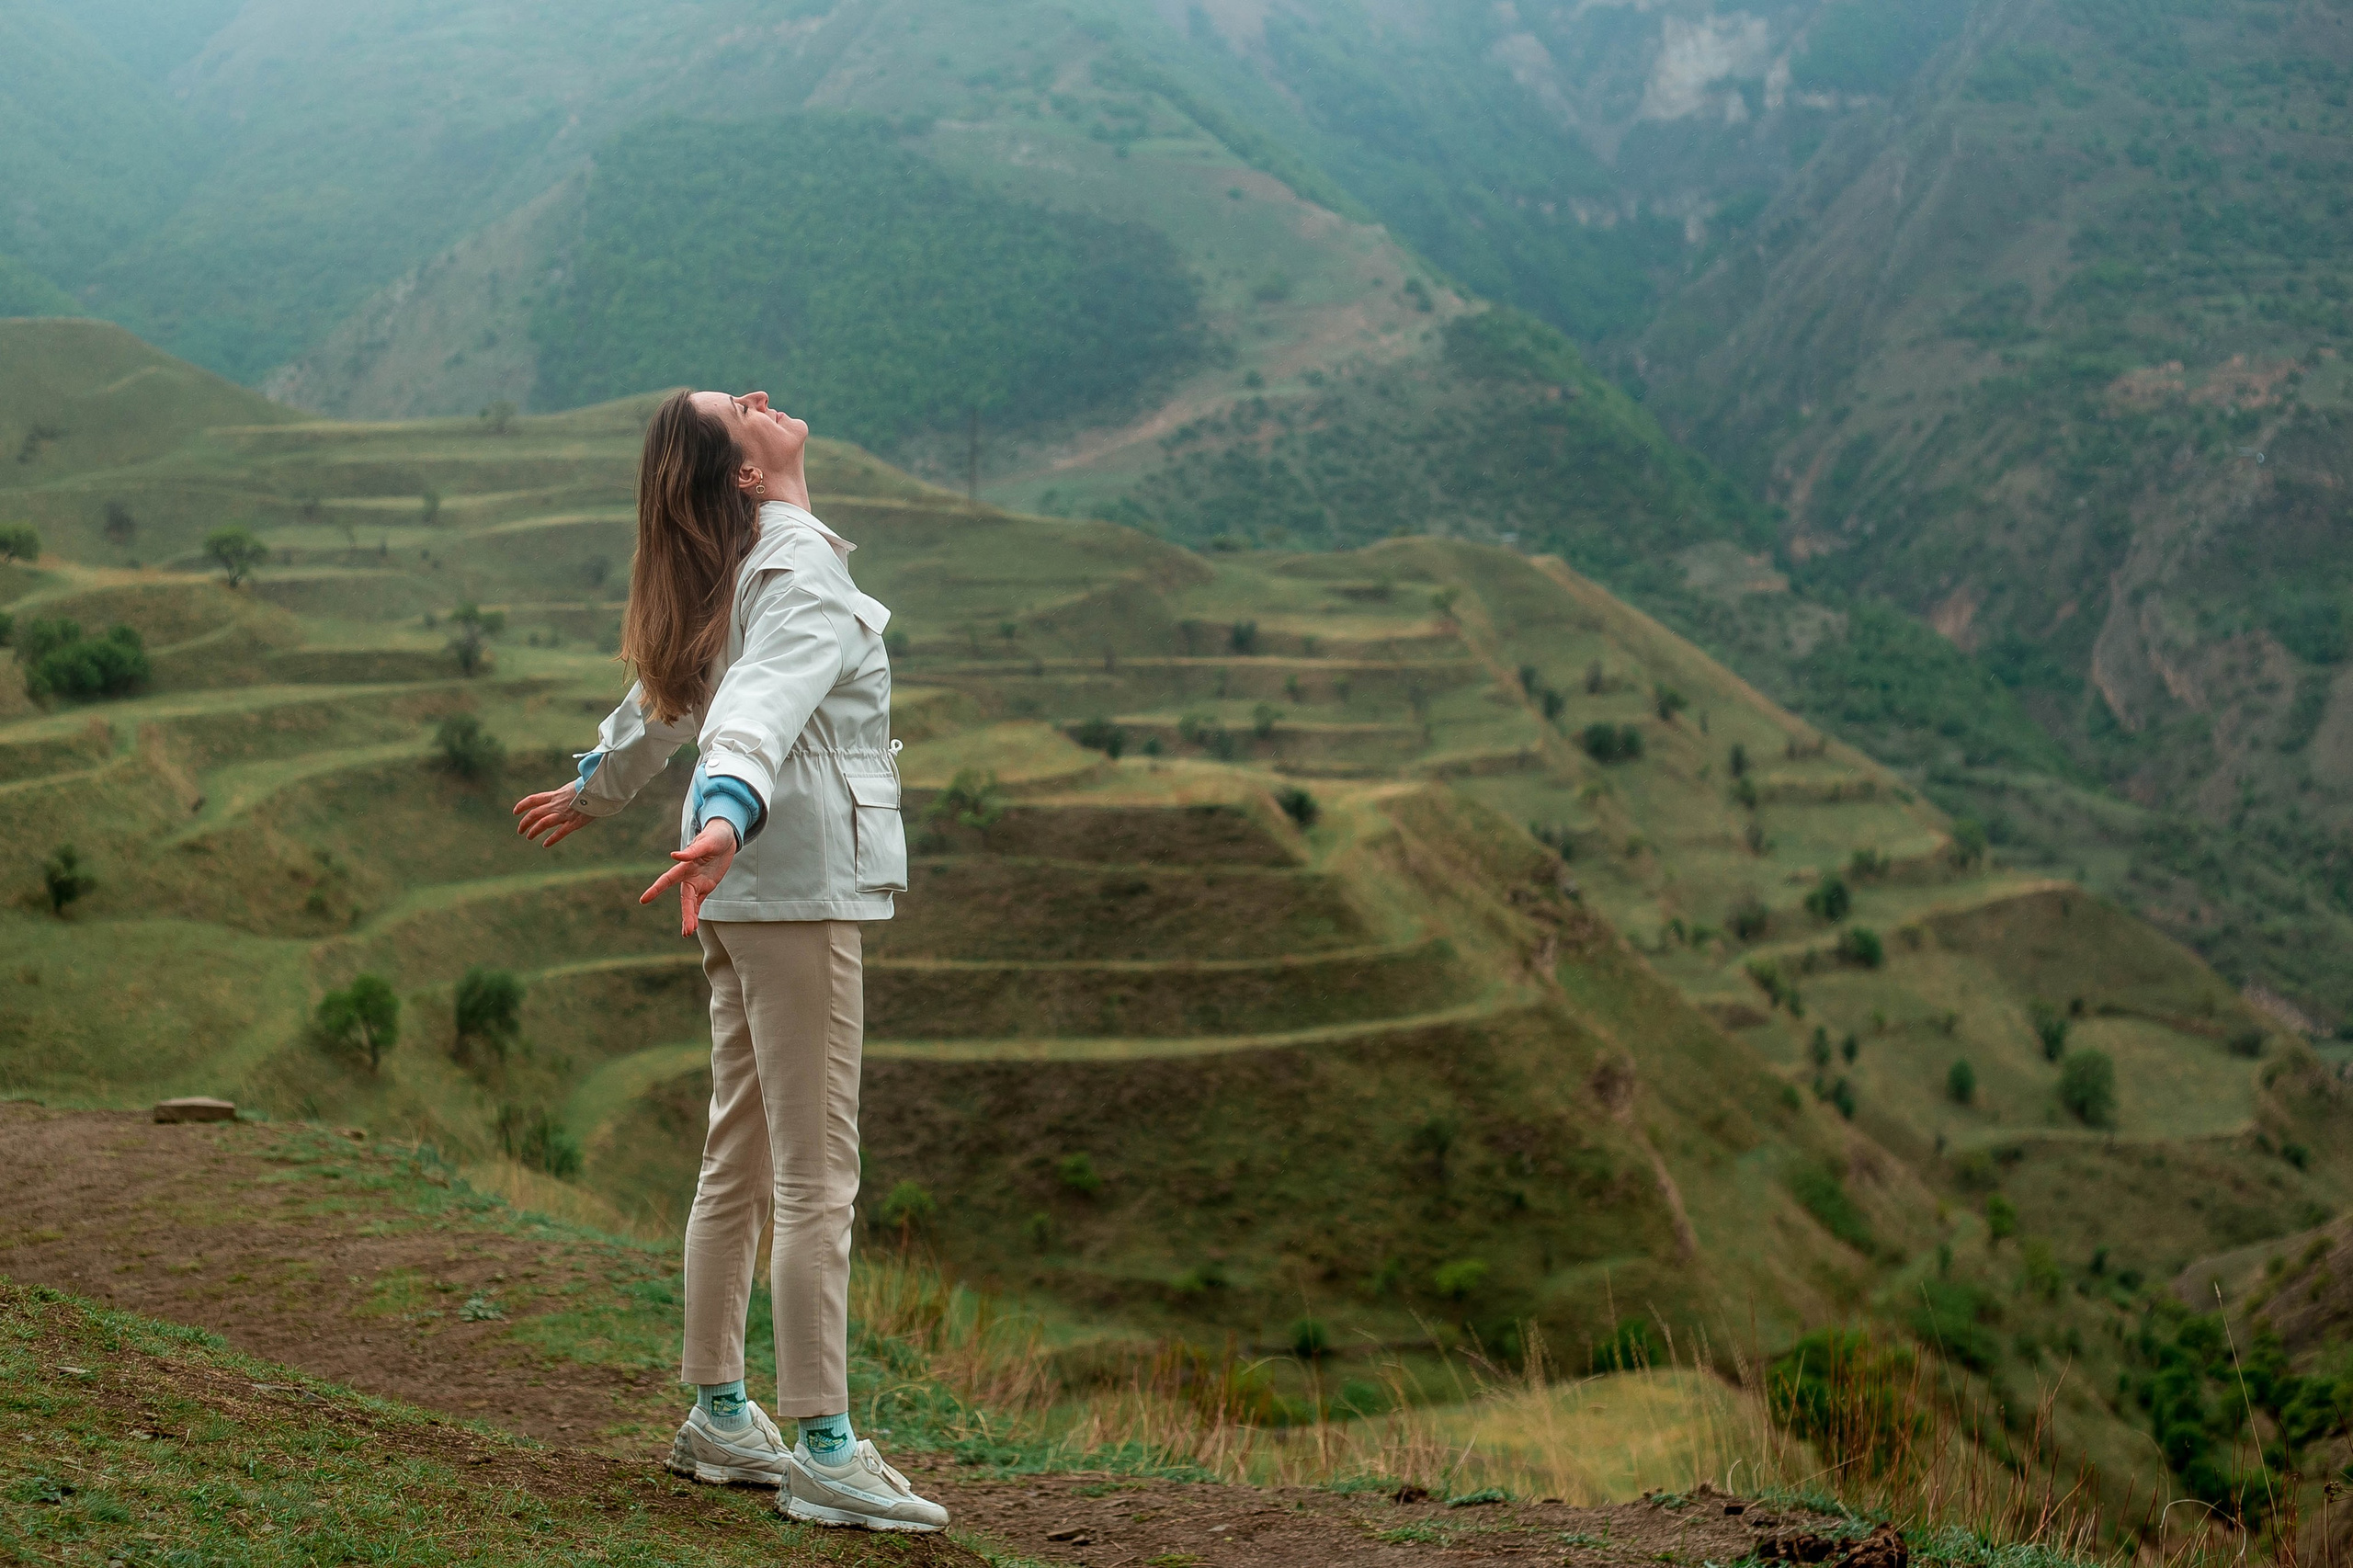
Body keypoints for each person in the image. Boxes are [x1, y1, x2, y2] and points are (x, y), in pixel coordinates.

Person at [512, 389, 944, 1532]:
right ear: (743, 473)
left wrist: (598, 789)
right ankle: (823, 1444)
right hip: (791, 892)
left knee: (740, 1156)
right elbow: (746, 711)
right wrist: (726, 806)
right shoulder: (794, 571)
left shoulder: (740, 571)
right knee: (816, 1176)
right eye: (734, 407)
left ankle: (716, 1409)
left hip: (748, 893)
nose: (759, 397)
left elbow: (666, 699)